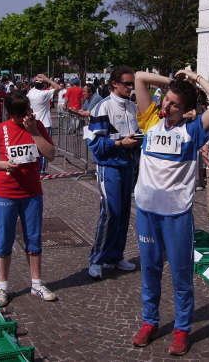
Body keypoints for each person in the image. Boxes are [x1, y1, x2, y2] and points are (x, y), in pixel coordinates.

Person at [131, 69, 209, 356]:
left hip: (176, 215)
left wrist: (195, 79)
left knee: (181, 275)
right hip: (147, 212)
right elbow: (139, 77)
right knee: (150, 270)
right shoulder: (150, 121)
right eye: (166, 101)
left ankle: (182, 329)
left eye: (174, 104)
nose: (167, 106)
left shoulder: (193, 131)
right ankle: (150, 322)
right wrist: (174, 83)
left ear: (186, 110)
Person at [0, 91, 57, 306]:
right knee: (4, 239)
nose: (26, 116)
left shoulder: (36, 126)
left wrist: (34, 132)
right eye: (21, 114)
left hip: (32, 193)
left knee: (34, 238)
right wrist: (4, 165)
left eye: (27, 111)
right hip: (5, 193)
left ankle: (36, 284)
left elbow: (51, 154)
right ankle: (3, 287)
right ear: (10, 114)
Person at [84, 66, 140, 280]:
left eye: (132, 83)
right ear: (114, 84)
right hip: (109, 167)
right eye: (127, 83)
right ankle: (96, 259)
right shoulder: (102, 107)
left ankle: (115, 256)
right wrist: (119, 143)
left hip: (128, 167)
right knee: (110, 213)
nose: (131, 87)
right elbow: (94, 144)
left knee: (124, 213)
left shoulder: (133, 107)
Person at [27, 74, 62, 175]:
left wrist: (37, 80)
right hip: (45, 123)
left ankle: (35, 168)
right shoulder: (44, 94)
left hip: (35, 122)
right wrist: (47, 79)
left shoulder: (31, 92)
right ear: (44, 85)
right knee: (45, 148)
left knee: (35, 147)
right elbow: (58, 87)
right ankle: (42, 170)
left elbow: (35, 86)